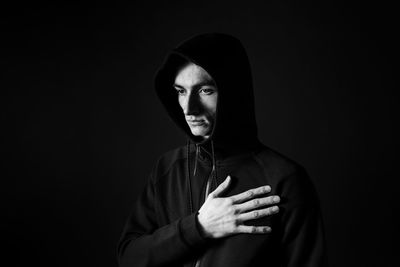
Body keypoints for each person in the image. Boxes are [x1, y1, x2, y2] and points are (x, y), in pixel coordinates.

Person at [117, 33, 326, 267]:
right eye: (180, 91)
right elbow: (128, 258)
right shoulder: (168, 168)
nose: (189, 109)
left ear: (233, 92)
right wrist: (199, 227)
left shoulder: (284, 179)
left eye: (205, 90)